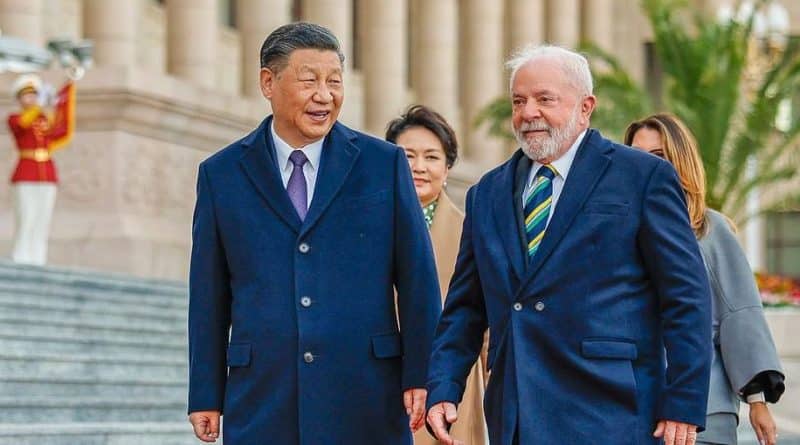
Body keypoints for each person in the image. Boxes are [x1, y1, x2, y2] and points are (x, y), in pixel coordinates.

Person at [425, 44, 712, 445]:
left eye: (545, 99)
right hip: (517, 414)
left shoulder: (642, 177)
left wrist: (683, 401)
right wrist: (444, 386)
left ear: (585, 107)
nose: (528, 112)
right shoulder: (486, 193)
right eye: (519, 101)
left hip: (611, 412)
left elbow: (686, 296)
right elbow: (466, 308)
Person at [187, 22, 441, 445]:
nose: (324, 95)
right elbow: (209, 295)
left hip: (366, 395)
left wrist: (423, 373)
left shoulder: (383, 164)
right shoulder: (221, 174)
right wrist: (205, 393)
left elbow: (418, 279)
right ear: (268, 82)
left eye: (334, 82)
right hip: (263, 398)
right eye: (309, 81)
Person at [625, 113, 785, 445]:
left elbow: (739, 314)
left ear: (680, 162)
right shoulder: (620, 233)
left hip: (703, 411)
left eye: (659, 156)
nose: (647, 166)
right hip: (634, 408)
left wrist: (757, 402)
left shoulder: (710, 229)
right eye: (637, 156)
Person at [386, 105, 487, 445]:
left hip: (450, 389)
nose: (419, 167)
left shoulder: (471, 231)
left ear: (447, 168)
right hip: (385, 382)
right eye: (407, 156)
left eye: (431, 157)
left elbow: (486, 322)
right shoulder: (364, 230)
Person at [7, 74, 75, 265]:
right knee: (26, 217)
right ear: (19, 99)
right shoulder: (15, 118)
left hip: (46, 174)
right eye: (27, 95)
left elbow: (61, 131)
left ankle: (38, 258)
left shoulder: (44, 119)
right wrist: (38, 107)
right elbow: (22, 124)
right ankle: (21, 256)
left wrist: (66, 97)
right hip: (26, 173)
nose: (31, 99)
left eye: (34, 95)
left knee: (42, 218)